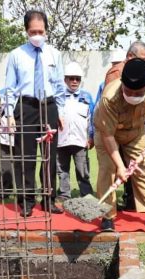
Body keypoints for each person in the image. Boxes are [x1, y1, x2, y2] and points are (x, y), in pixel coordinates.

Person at [94, 58, 145, 232]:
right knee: (108, 170)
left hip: (135, 132)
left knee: (143, 169)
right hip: (108, 133)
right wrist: (120, 167)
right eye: (128, 91)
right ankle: (107, 216)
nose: (132, 96)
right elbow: (108, 136)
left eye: (138, 93)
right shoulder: (109, 97)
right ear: (122, 83)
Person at [5, 10, 66, 217]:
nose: (37, 35)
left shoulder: (55, 54)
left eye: (41, 31)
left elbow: (59, 85)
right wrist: (9, 113)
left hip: (48, 107)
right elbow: (10, 87)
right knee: (26, 157)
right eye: (33, 31)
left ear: (46, 30)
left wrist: (61, 111)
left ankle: (48, 199)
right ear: (26, 31)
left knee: (49, 156)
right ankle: (27, 201)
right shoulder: (16, 55)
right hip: (25, 107)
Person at [56, 62, 94, 199]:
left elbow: (92, 118)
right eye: (71, 78)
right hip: (62, 140)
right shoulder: (58, 97)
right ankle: (64, 194)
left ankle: (87, 194)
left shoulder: (87, 97)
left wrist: (91, 137)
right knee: (62, 171)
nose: (74, 81)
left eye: (77, 78)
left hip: (80, 141)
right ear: (65, 79)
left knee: (82, 170)